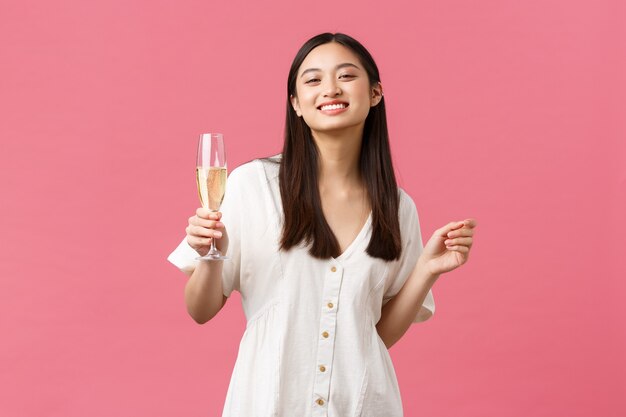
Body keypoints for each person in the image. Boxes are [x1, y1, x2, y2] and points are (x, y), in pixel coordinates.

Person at [168, 32, 477, 417]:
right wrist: (210, 254)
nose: (330, 89)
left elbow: (372, 336)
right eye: (313, 80)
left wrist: (428, 270)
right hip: (268, 404)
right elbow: (200, 310)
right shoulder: (253, 186)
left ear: (376, 93)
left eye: (346, 76)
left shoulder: (398, 207)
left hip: (364, 405)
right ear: (296, 104)